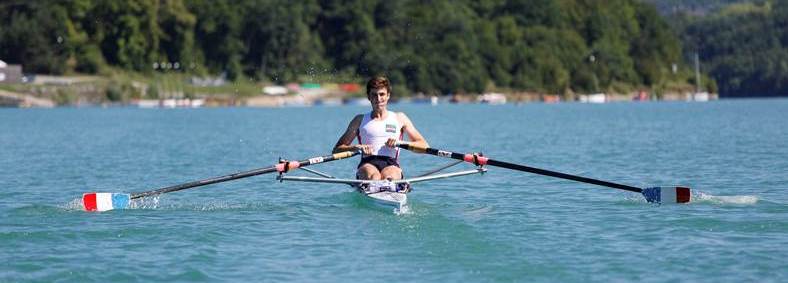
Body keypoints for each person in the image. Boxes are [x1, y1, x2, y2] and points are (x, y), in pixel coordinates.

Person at [333, 76, 429, 181]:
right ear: (369, 97)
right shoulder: (359, 120)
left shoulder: (400, 118)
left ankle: (386, 187)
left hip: (391, 163)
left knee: (389, 177)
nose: (378, 99)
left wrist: (400, 143)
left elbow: (424, 145)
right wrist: (356, 147)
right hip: (367, 163)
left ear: (388, 95)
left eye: (382, 94)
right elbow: (337, 150)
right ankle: (376, 187)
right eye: (374, 95)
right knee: (374, 177)